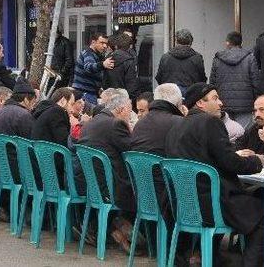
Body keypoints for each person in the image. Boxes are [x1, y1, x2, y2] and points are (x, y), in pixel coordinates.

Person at [165, 82, 264, 266]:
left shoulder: (176, 126)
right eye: (215, 98)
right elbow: (231, 162)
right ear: (200, 103)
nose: (221, 103)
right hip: (213, 205)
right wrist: (257, 161)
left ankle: (212, 258)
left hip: (186, 204)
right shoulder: (210, 122)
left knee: (252, 200)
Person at [75, 88, 136, 250]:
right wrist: (130, 130)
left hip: (93, 184)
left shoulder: (91, 123)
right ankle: (130, 233)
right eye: (130, 111)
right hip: (111, 186)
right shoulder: (115, 124)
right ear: (121, 109)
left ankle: (116, 228)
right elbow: (132, 150)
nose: (130, 115)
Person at [209, 31, 260, 128]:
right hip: (245, 104)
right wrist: (256, 102)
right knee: (243, 135)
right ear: (241, 43)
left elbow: (212, 83)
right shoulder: (250, 58)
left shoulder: (218, 59)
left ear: (227, 43)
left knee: (226, 133)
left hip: (223, 103)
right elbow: (255, 82)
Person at [131, 83, 185, 157]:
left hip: (139, 166)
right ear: (178, 102)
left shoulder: (140, 123)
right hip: (163, 167)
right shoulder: (178, 122)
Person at [72, 32, 114, 105]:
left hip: (89, 93)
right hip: (85, 93)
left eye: (106, 44)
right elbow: (88, 67)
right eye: (102, 43)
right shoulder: (88, 53)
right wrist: (103, 64)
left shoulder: (97, 55)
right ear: (93, 42)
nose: (105, 46)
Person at [102, 33, 138, 100]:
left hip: (110, 97)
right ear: (129, 46)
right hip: (124, 98)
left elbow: (104, 81)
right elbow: (131, 84)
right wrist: (132, 99)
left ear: (116, 45)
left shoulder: (107, 59)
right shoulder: (129, 60)